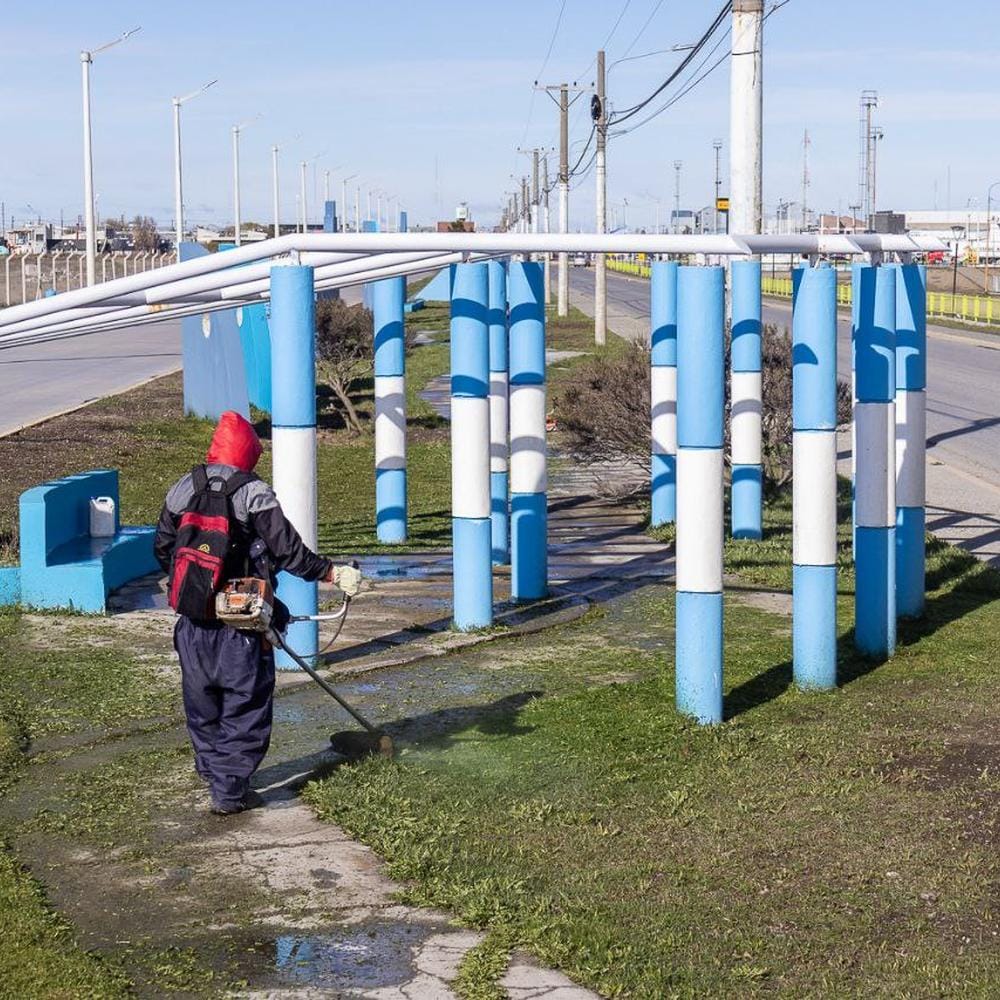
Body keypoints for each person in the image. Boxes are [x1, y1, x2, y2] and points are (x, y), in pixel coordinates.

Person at [154, 410, 361, 815]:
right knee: (244, 705)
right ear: (250, 453)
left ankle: (213, 771)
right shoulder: (254, 493)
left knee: (202, 702)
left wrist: (194, 587)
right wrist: (332, 572)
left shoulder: (183, 488)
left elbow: (162, 548)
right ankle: (229, 792)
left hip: (193, 620)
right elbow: (288, 550)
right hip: (242, 624)